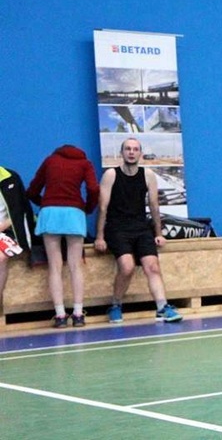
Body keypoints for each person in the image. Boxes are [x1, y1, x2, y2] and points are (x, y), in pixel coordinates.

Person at [94, 138, 183, 323]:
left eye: (135, 149)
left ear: (140, 153)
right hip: (117, 229)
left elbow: (154, 205)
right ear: (122, 153)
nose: (131, 152)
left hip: (141, 228)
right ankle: (116, 305)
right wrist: (100, 237)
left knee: (153, 266)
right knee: (127, 267)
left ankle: (162, 307)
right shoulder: (111, 174)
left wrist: (158, 234)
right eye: (128, 149)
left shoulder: (148, 175)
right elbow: (102, 207)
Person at [26, 145, 100, 328]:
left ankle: (60, 315)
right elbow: (93, 189)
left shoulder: (50, 161)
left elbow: (32, 189)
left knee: (54, 266)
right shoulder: (85, 163)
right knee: (75, 266)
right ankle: (78, 313)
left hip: (50, 213)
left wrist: (45, 202)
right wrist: (87, 208)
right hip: (74, 213)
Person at [0, 166, 36, 310]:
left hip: (6, 231)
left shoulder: (10, 177)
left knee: (1, 257)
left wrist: (4, 225)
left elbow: (20, 211)